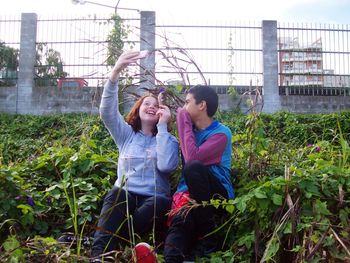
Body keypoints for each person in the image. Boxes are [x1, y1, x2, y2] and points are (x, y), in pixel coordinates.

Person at [91, 51, 179, 261]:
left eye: (156, 105)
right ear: (138, 110)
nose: (151, 107)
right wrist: (116, 71)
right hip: (126, 196)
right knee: (116, 194)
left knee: (158, 203)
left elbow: (167, 166)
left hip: (154, 199)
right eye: (146, 104)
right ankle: (99, 256)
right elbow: (107, 112)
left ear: (162, 113)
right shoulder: (126, 135)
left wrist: (163, 128)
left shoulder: (169, 140)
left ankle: (114, 240)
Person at [163, 85, 235, 263]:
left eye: (187, 102)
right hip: (190, 196)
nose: (184, 108)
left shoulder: (221, 133)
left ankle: (209, 237)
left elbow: (192, 158)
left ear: (202, 105)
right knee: (179, 229)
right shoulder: (191, 133)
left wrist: (182, 119)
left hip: (218, 196)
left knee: (193, 168)